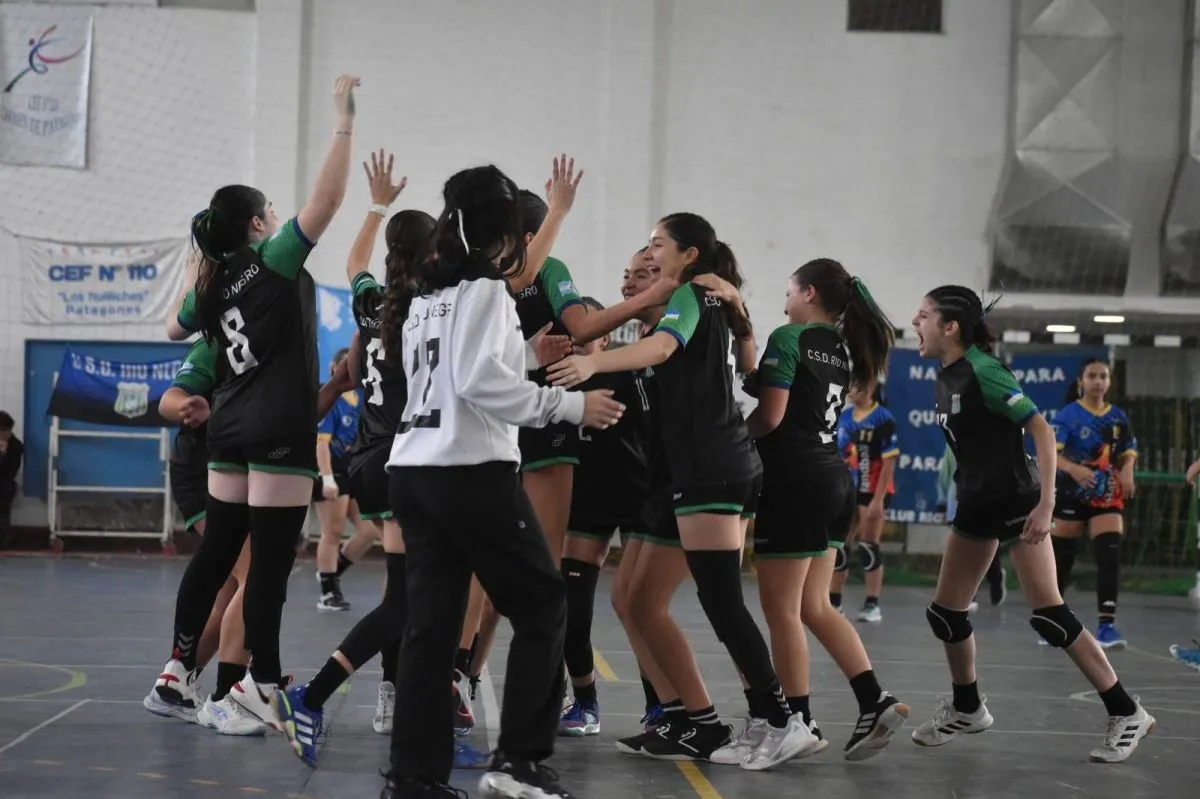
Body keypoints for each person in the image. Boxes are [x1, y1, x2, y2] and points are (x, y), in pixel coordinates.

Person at [380, 164, 624, 799]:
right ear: (506, 231)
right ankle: (519, 762)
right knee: (543, 605)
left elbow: (454, 371)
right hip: (468, 472)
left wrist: (526, 354)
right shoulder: (486, 290)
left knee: (431, 630)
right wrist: (571, 405)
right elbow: (477, 383)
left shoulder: (425, 299)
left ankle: (413, 777)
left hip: (413, 472)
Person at [550, 214, 819, 771]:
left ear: (688, 256)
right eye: (639, 260)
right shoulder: (701, 303)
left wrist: (592, 360)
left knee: (720, 601)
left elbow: (661, 350)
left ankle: (782, 718)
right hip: (684, 472)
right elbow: (728, 358)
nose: (646, 263)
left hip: (712, 466)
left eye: (655, 250)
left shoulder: (693, 297)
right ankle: (691, 719)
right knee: (635, 600)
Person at [152, 74, 359, 730]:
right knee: (269, 563)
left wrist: (200, 266)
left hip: (229, 432)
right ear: (256, 223)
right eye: (269, 208)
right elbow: (328, 201)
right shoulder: (270, 259)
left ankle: (180, 668)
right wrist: (344, 122)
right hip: (275, 430)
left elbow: (172, 329)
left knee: (218, 554)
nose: (277, 213)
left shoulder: (212, 288)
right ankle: (257, 687)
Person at [909, 285, 1153, 763]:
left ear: (950, 327)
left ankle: (1127, 712)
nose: (916, 323)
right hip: (977, 503)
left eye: (923, 315)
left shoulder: (986, 371)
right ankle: (967, 708)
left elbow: (1039, 428)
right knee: (946, 615)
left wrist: (1046, 503)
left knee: (1049, 614)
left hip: (1017, 501)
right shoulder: (947, 374)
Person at [733, 258, 908, 765]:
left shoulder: (790, 337)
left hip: (795, 481)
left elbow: (771, 416)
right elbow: (770, 386)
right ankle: (873, 699)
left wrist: (729, 439)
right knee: (815, 606)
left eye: (789, 291)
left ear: (809, 293)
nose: (784, 300)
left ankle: (799, 721)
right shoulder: (841, 348)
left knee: (781, 610)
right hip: (834, 480)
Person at [557, 295, 653, 738]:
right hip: (586, 502)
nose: (578, 340)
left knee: (640, 607)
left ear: (606, 338)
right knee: (572, 610)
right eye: (572, 334)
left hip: (635, 496)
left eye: (588, 333)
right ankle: (585, 701)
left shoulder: (626, 374)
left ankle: (660, 704)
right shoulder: (556, 379)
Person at [1050, 357, 1137, 649]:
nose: (1098, 381)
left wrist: (1128, 469)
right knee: (1061, 559)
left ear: (1109, 382)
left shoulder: (1118, 417)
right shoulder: (1068, 415)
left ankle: (1106, 626)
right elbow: (1051, 454)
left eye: (1103, 376)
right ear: (1081, 381)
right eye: (1092, 376)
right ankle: (1054, 620)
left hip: (1106, 494)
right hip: (1071, 493)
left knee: (1109, 554)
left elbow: (1128, 449)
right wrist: (1073, 469)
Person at [312, 346, 378, 611]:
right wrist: (327, 478)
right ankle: (328, 592)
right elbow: (321, 443)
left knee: (369, 530)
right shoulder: (331, 398)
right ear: (335, 369)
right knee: (333, 531)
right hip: (331, 468)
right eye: (345, 365)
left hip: (352, 469)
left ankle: (330, 572)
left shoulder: (363, 396)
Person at [833, 379, 898, 622]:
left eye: (856, 385)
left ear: (869, 388)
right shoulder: (845, 417)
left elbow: (890, 460)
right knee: (840, 543)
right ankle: (834, 601)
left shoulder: (883, 418)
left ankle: (872, 604)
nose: (850, 390)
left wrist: (878, 500)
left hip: (873, 489)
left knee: (869, 545)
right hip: (848, 488)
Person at [0, 411, 24, 548]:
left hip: (4, 483)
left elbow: (11, 471)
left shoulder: (15, 446)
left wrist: (3, 455)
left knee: (5, 492)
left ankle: (4, 538)